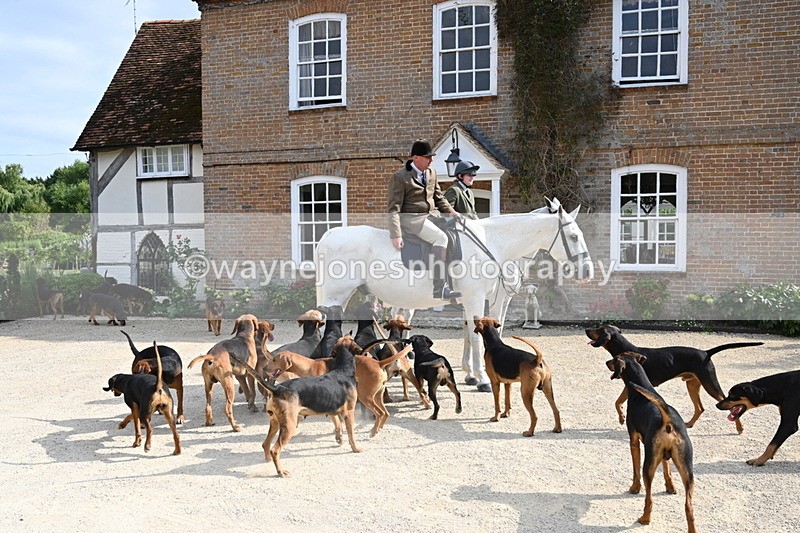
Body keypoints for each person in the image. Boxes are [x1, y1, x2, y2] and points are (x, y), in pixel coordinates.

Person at [387, 140, 462, 299]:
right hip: (412, 220)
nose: (431, 160)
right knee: (440, 238)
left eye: (432, 157)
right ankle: (439, 287)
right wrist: (396, 234)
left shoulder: (431, 173)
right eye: (427, 157)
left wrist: (451, 212)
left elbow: (439, 197)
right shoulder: (400, 177)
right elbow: (394, 208)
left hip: (432, 216)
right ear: (415, 158)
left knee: (454, 233)